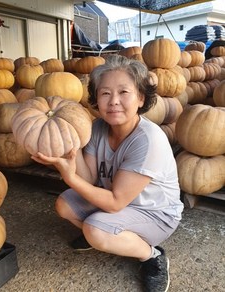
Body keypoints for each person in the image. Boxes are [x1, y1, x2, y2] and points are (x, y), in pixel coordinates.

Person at [31, 54, 184, 292]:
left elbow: (114, 202)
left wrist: (69, 177)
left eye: (124, 92)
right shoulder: (98, 128)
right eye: (105, 93)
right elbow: (90, 177)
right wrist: (71, 153)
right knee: (64, 204)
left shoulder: (148, 139)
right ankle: (109, 236)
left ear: (141, 98)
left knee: (95, 228)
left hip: (155, 214)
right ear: (96, 99)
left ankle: (152, 255)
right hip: (121, 204)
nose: (113, 101)